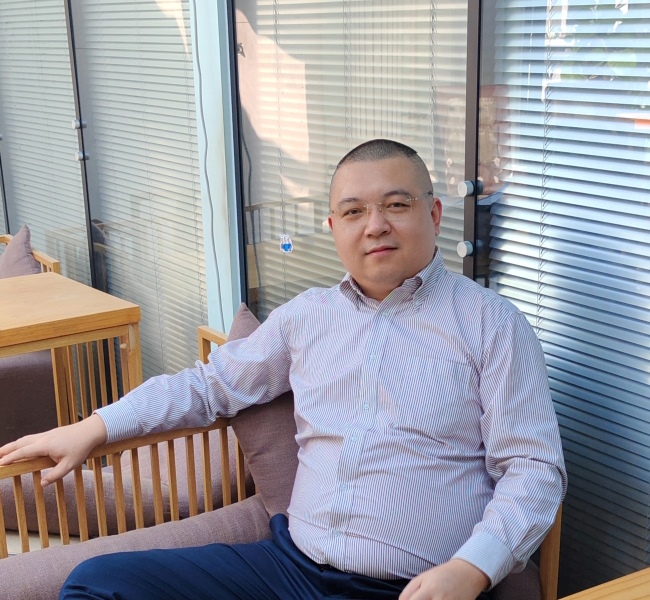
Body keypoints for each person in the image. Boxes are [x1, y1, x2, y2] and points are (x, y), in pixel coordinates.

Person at [0, 139, 566, 600]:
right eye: (354, 212)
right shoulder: (305, 317)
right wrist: (95, 426)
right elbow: (210, 386)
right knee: (97, 584)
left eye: (396, 205)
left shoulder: (492, 324)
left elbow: (535, 469)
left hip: (407, 586)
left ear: (434, 214)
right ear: (334, 227)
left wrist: (472, 568)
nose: (375, 225)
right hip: (288, 567)